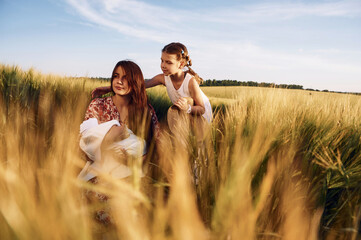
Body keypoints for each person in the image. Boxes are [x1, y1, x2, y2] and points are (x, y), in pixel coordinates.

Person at [78, 60, 159, 226]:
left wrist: (132, 160)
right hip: (99, 172)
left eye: (126, 78)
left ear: (135, 82)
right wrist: (109, 139)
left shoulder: (145, 110)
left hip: (133, 172)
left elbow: (154, 146)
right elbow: (86, 143)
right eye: (116, 76)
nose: (119, 81)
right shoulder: (98, 105)